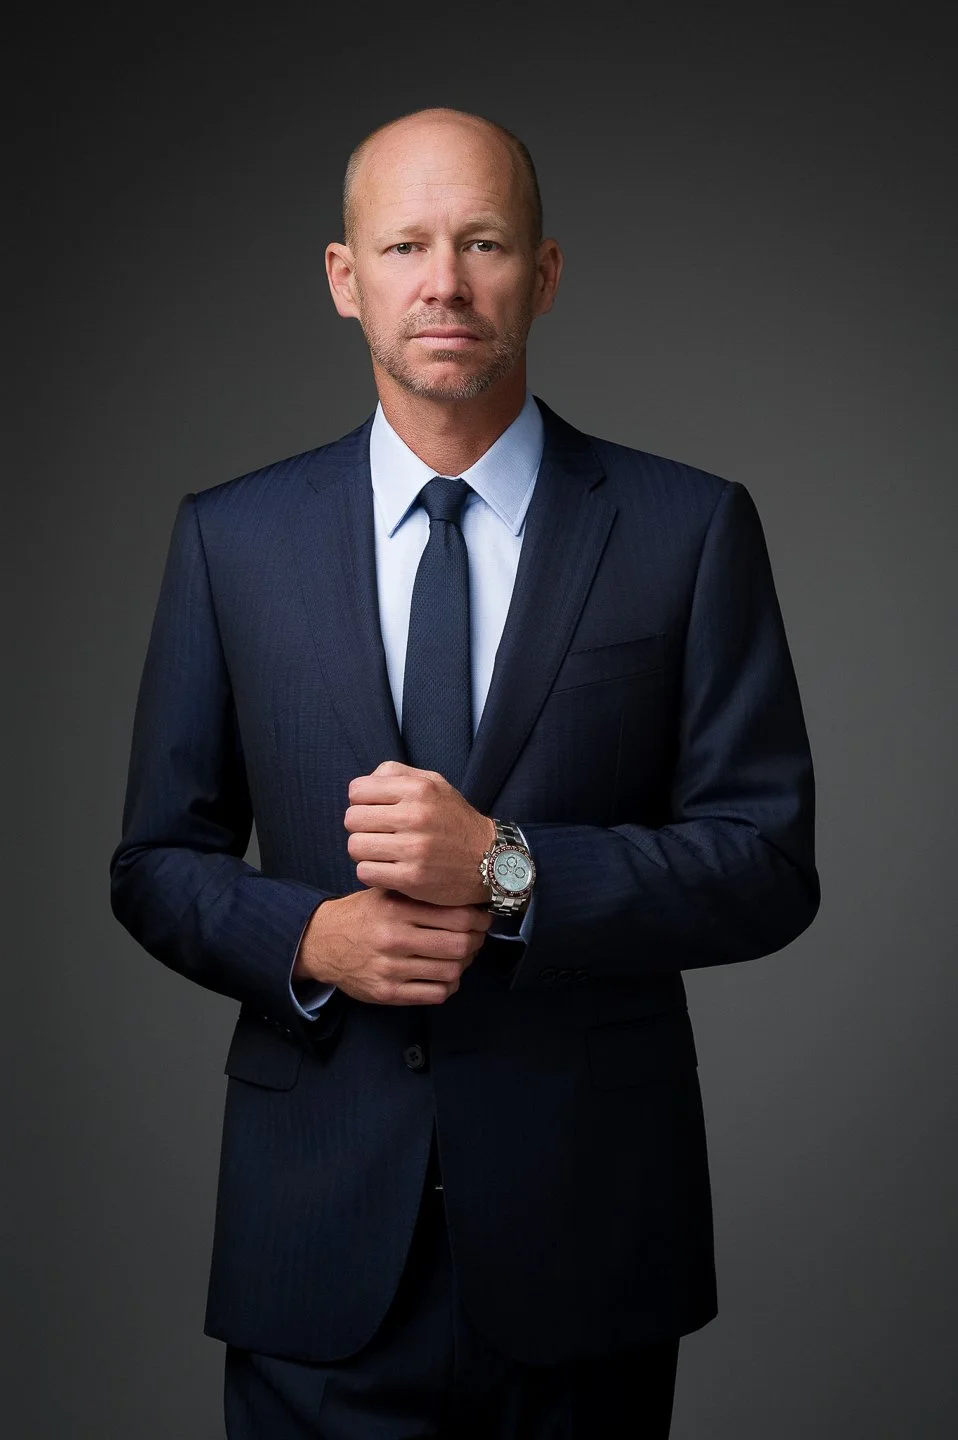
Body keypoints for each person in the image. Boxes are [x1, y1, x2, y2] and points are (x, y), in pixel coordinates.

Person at [109, 106, 820, 1439]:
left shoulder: (686, 530)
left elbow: (767, 866)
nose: (444, 282)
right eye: (405, 246)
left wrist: (507, 870)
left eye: (484, 241)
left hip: (587, 1240)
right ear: (345, 278)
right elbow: (154, 863)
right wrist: (309, 934)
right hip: (312, 1244)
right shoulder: (232, 540)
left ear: (542, 272)